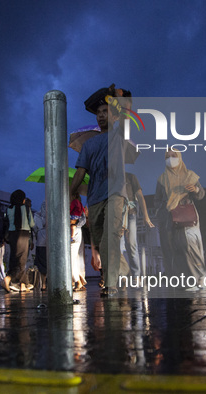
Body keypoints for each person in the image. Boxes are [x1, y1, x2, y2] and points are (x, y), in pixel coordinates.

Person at [70, 84, 131, 297]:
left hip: (115, 193)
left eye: (106, 112)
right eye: (98, 113)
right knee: (100, 241)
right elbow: (80, 172)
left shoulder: (119, 134)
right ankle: (122, 272)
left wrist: (117, 98)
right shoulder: (89, 145)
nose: (101, 116)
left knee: (110, 238)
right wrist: (71, 191)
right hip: (94, 198)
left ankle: (111, 284)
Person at [154, 151, 206, 289]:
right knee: (171, 248)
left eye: (173, 156)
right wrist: (163, 208)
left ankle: (200, 277)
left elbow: (201, 194)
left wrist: (195, 189)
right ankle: (180, 281)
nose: (170, 159)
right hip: (168, 217)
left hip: (186, 214)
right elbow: (157, 199)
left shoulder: (189, 175)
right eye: (167, 157)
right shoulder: (162, 179)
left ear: (180, 158)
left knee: (189, 245)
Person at [4, 189, 36, 292]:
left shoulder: (9, 209)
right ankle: (9, 278)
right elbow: (31, 224)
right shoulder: (26, 208)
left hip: (12, 235)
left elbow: (7, 223)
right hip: (23, 234)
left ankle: (23, 284)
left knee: (14, 259)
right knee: (22, 260)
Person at [124, 172, 155, 278]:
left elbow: (140, 196)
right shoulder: (111, 178)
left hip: (130, 214)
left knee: (132, 244)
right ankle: (121, 275)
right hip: (116, 216)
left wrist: (146, 216)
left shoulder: (130, 177)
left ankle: (136, 275)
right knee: (117, 246)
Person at [70, 193, 87, 291]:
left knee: (71, 260)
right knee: (75, 259)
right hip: (78, 231)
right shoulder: (79, 204)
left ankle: (77, 281)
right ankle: (78, 280)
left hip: (74, 231)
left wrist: (69, 221)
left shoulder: (74, 202)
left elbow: (74, 218)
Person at [33, 201, 48, 290]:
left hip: (40, 242)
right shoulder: (52, 214)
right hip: (50, 242)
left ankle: (43, 284)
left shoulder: (37, 215)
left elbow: (34, 228)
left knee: (42, 264)